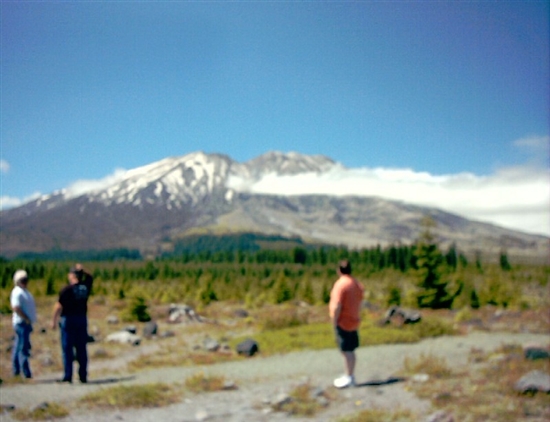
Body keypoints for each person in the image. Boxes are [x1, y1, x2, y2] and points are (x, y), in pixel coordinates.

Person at [51, 264, 93, 383]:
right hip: (81, 319)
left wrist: (54, 321)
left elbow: (59, 306)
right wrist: (83, 269)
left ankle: (68, 375)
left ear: (73, 276)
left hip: (68, 320)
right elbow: (90, 277)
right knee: (81, 348)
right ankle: (83, 375)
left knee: (67, 348)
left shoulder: (66, 290)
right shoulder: (85, 288)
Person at [329, 260, 364, 388]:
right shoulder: (356, 284)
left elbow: (338, 304)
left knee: (346, 349)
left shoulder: (341, 284)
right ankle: (349, 374)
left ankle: (349, 376)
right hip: (354, 319)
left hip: (343, 320)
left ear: (339, 270)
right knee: (350, 349)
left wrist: (335, 319)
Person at [10, 269, 37, 379]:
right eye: (23, 280)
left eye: (26, 280)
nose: (25, 282)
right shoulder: (17, 292)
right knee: (23, 347)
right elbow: (16, 307)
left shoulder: (24, 292)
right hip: (21, 323)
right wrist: (26, 318)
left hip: (25, 323)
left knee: (18, 346)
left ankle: (16, 370)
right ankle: (26, 372)